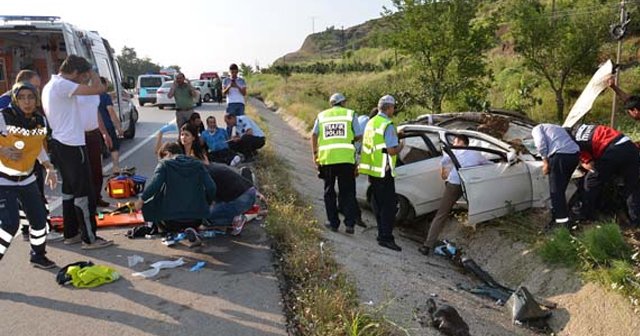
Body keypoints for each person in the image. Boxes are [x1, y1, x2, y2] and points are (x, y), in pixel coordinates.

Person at [42, 54, 113, 249]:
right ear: (74, 72)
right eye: (83, 76)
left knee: (69, 191)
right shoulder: (63, 85)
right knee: (84, 192)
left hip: (60, 143)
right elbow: (99, 89)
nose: (85, 80)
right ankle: (89, 238)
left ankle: (71, 233)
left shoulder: (51, 85)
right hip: (72, 144)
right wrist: (94, 72)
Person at [0, 82, 58, 268]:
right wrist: (3, 150)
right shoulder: (3, 117)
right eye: (22, 97)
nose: (27, 101)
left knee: (40, 221)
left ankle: (38, 255)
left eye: (31, 97)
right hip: (3, 180)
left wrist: (48, 167)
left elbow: (38, 146)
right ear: (15, 99)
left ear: (36, 99)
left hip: (27, 179)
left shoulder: (39, 120)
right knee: (9, 225)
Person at [418, 134, 490, 256]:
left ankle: (427, 246)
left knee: (441, 214)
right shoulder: (477, 154)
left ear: (461, 142)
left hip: (454, 184)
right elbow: (488, 165)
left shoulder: (454, 152)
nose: (453, 144)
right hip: (469, 185)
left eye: (455, 141)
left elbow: (443, 163)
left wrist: (443, 174)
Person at [134, 142, 216, 234]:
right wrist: (208, 202)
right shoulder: (198, 164)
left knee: (157, 197)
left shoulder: (165, 164)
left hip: (170, 221)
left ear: (167, 153)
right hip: (196, 220)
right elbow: (211, 187)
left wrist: (141, 200)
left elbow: (155, 185)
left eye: (162, 158)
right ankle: (191, 228)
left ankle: (163, 228)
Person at [311, 93, 362, 234]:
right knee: (348, 192)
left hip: (327, 159)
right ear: (343, 102)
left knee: (329, 191)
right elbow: (358, 135)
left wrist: (315, 154)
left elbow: (314, 135)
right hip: (346, 159)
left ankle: (333, 223)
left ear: (331, 104)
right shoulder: (351, 114)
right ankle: (350, 224)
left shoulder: (322, 116)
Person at [571, 124, 640, 227]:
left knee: (591, 181)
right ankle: (635, 221)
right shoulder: (590, 127)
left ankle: (585, 214)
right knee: (632, 186)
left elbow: (590, 164)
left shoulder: (572, 141)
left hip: (613, 150)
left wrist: (583, 162)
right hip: (629, 147)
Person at [358, 95, 404, 251]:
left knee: (377, 204)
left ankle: (381, 233)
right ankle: (385, 237)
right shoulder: (387, 125)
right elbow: (391, 150)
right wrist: (401, 146)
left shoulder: (371, 122)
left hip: (373, 169)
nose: (394, 110)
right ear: (389, 108)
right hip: (384, 171)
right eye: (393, 107)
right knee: (389, 206)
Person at [531, 124, 580, 230]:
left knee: (556, 191)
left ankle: (561, 224)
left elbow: (540, 143)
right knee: (560, 189)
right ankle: (563, 217)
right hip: (574, 155)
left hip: (560, 155)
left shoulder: (537, 129)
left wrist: (545, 161)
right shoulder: (557, 127)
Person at [78, 88, 113, 208]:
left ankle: (97, 197)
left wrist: (104, 133)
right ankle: (86, 201)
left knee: (97, 170)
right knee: (83, 172)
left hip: (93, 134)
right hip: (78, 136)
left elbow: (96, 113)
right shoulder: (73, 92)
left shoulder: (91, 94)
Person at [204, 163, 257, 234]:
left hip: (242, 199)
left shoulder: (207, 175)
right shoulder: (214, 167)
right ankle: (239, 216)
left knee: (207, 216)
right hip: (249, 193)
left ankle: (237, 220)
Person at [98, 77, 124, 176]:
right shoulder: (105, 96)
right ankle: (116, 167)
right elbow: (111, 112)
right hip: (107, 126)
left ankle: (100, 170)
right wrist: (118, 127)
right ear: (103, 85)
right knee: (114, 147)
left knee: (99, 149)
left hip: (94, 127)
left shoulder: (90, 97)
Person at [222, 63, 247, 135]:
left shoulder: (241, 80)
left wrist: (237, 86)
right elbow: (224, 93)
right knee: (229, 124)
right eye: (232, 72)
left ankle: (238, 140)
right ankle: (228, 142)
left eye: (235, 72)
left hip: (240, 103)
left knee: (240, 123)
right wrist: (229, 86)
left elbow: (244, 93)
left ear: (237, 72)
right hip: (231, 103)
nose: (234, 74)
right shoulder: (226, 80)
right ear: (230, 72)